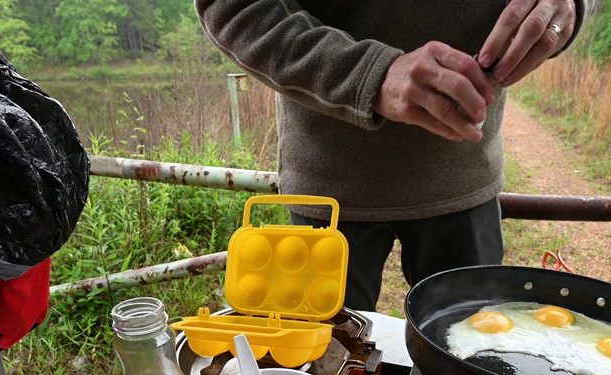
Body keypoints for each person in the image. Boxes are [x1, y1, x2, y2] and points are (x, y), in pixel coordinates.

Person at [196, 0, 585, 312]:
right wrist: (369, 74)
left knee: (469, 369)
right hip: (329, 188)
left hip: (464, 178)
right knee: (319, 367)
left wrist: (571, 6)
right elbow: (234, 7)